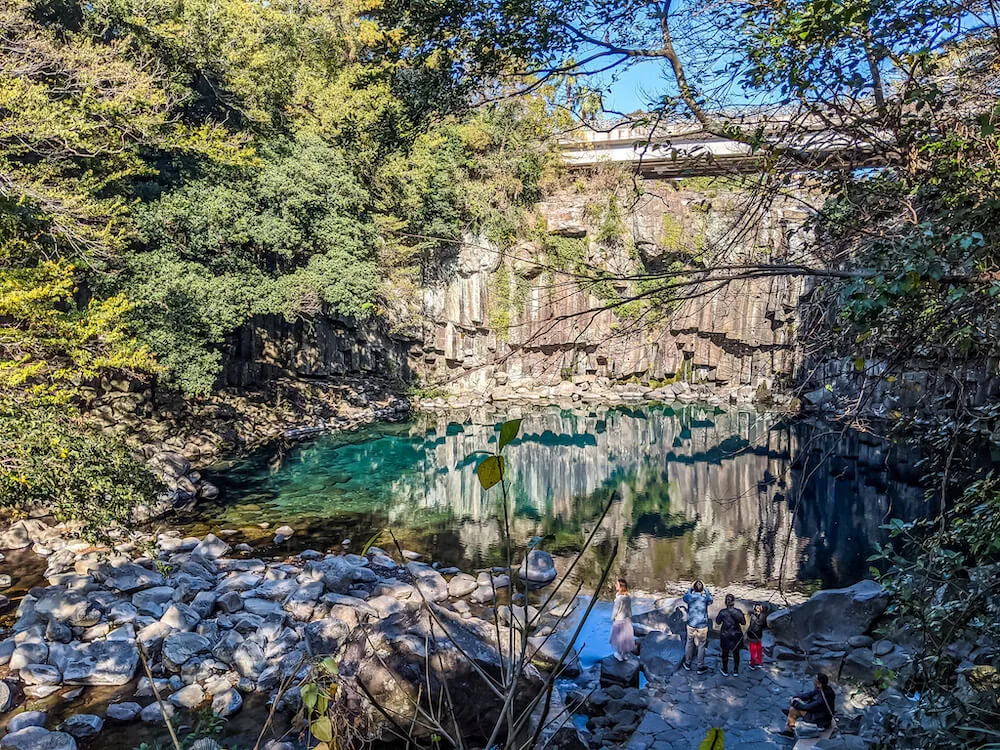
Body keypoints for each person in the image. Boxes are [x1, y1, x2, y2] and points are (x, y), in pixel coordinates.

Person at [681, 580, 713, 673]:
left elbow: (684, 597)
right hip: (702, 625)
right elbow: (710, 600)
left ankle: (687, 663)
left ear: (694, 588)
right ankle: (700, 666)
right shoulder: (705, 598)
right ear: (702, 588)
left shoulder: (690, 597)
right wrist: (706, 589)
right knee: (701, 645)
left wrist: (690, 588)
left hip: (691, 624)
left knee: (689, 642)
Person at [715, 593, 746, 676]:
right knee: (736, 653)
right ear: (734, 602)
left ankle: (725, 670)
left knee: (725, 653)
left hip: (725, 635)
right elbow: (743, 623)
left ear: (725, 602)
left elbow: (718, 622)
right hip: (736, 635)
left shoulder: (722, 612)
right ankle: (736, 670)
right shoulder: (738, 612)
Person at [610, 578, 636, 661]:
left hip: (619, 620)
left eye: (617, 584)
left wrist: (612, 618)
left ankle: (619, 654)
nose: (615, 586)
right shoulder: (628, 597)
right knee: (626, 638)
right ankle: (624, 654)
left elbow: (615, 610)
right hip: (627, 620)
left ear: (621, 587)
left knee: (619, 638)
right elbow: (629, 609)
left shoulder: (619, 599)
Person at [746, 603, 767, 670]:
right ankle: (759, 662)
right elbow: (764, 626)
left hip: (752, 636)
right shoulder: (763, 616)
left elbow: (751, 627)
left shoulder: (753, 617)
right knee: (759, 649)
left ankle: (752, 664)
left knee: (753, 651)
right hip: (759, 636)